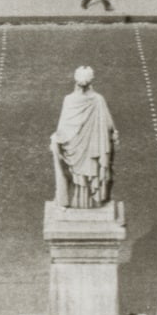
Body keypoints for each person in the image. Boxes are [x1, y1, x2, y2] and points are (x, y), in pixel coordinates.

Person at [50, 66, 119, 208]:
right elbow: (108, 126)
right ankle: (95, 201)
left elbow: (63, 129)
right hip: (93, 151)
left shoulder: (69, 100)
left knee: (75, 172)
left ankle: (75, 201)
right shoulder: (98, 99)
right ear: (91, 81)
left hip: (75, 150)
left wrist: (55, 139)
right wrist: (114, 134)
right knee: (92, 171)